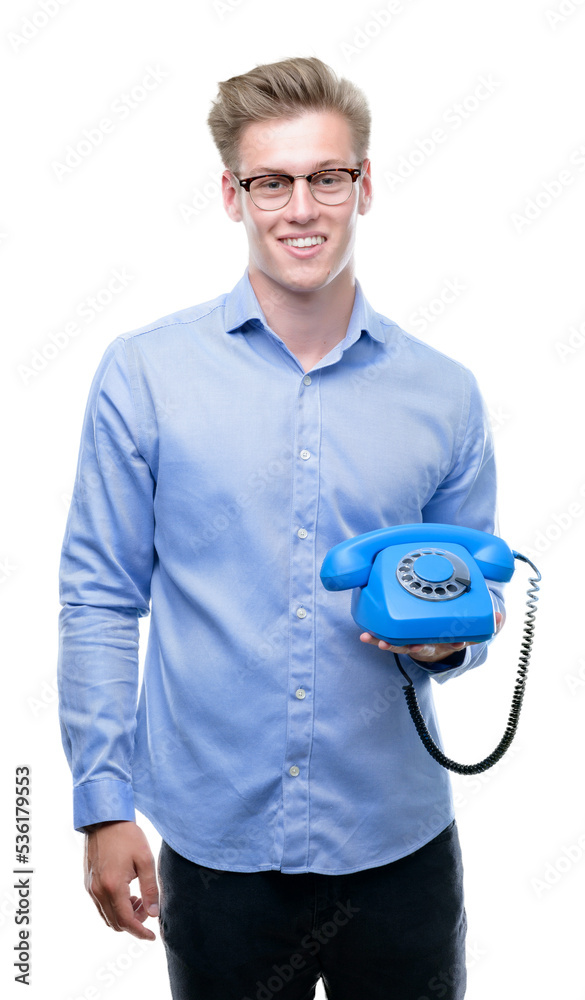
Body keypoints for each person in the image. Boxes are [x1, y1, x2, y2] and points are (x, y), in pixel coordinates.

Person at [57, 55, 505, 999]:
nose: (301, 208)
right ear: (233, 195)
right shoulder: (144, 376)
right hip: (217, 854)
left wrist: (440, 648)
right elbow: (99, 598)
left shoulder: (445, 394)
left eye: (326, 177)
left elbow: (478, 592)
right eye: (273, 182)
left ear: (364, 185)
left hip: (399, 845)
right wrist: (104, 805)